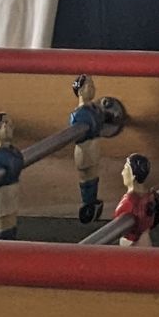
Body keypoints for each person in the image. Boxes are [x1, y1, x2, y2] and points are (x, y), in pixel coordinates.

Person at [0, 111, 25, 240]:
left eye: (11, 124)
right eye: (5, 123)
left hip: (11, 192)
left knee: (11, 229)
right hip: (1, 195)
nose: (10, 127)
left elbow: (17, 164)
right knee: (4, 232)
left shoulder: (13, 152)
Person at [109, 151, 159, 248]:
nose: (122, 173)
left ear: (133, 176)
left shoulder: (128, 204)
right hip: (144, 240)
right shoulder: (149, 197)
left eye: (125, 169)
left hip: (132, 245)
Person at [70, 74, 103, 224]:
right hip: (84, 150)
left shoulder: (94, 108)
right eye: (89, 86)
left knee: (93, 176)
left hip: (93, 147)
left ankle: (92, 201)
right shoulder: (79, 114)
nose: (93, 88)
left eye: (93, 85)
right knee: (87, 176)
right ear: (80, 91)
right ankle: (87, 203)